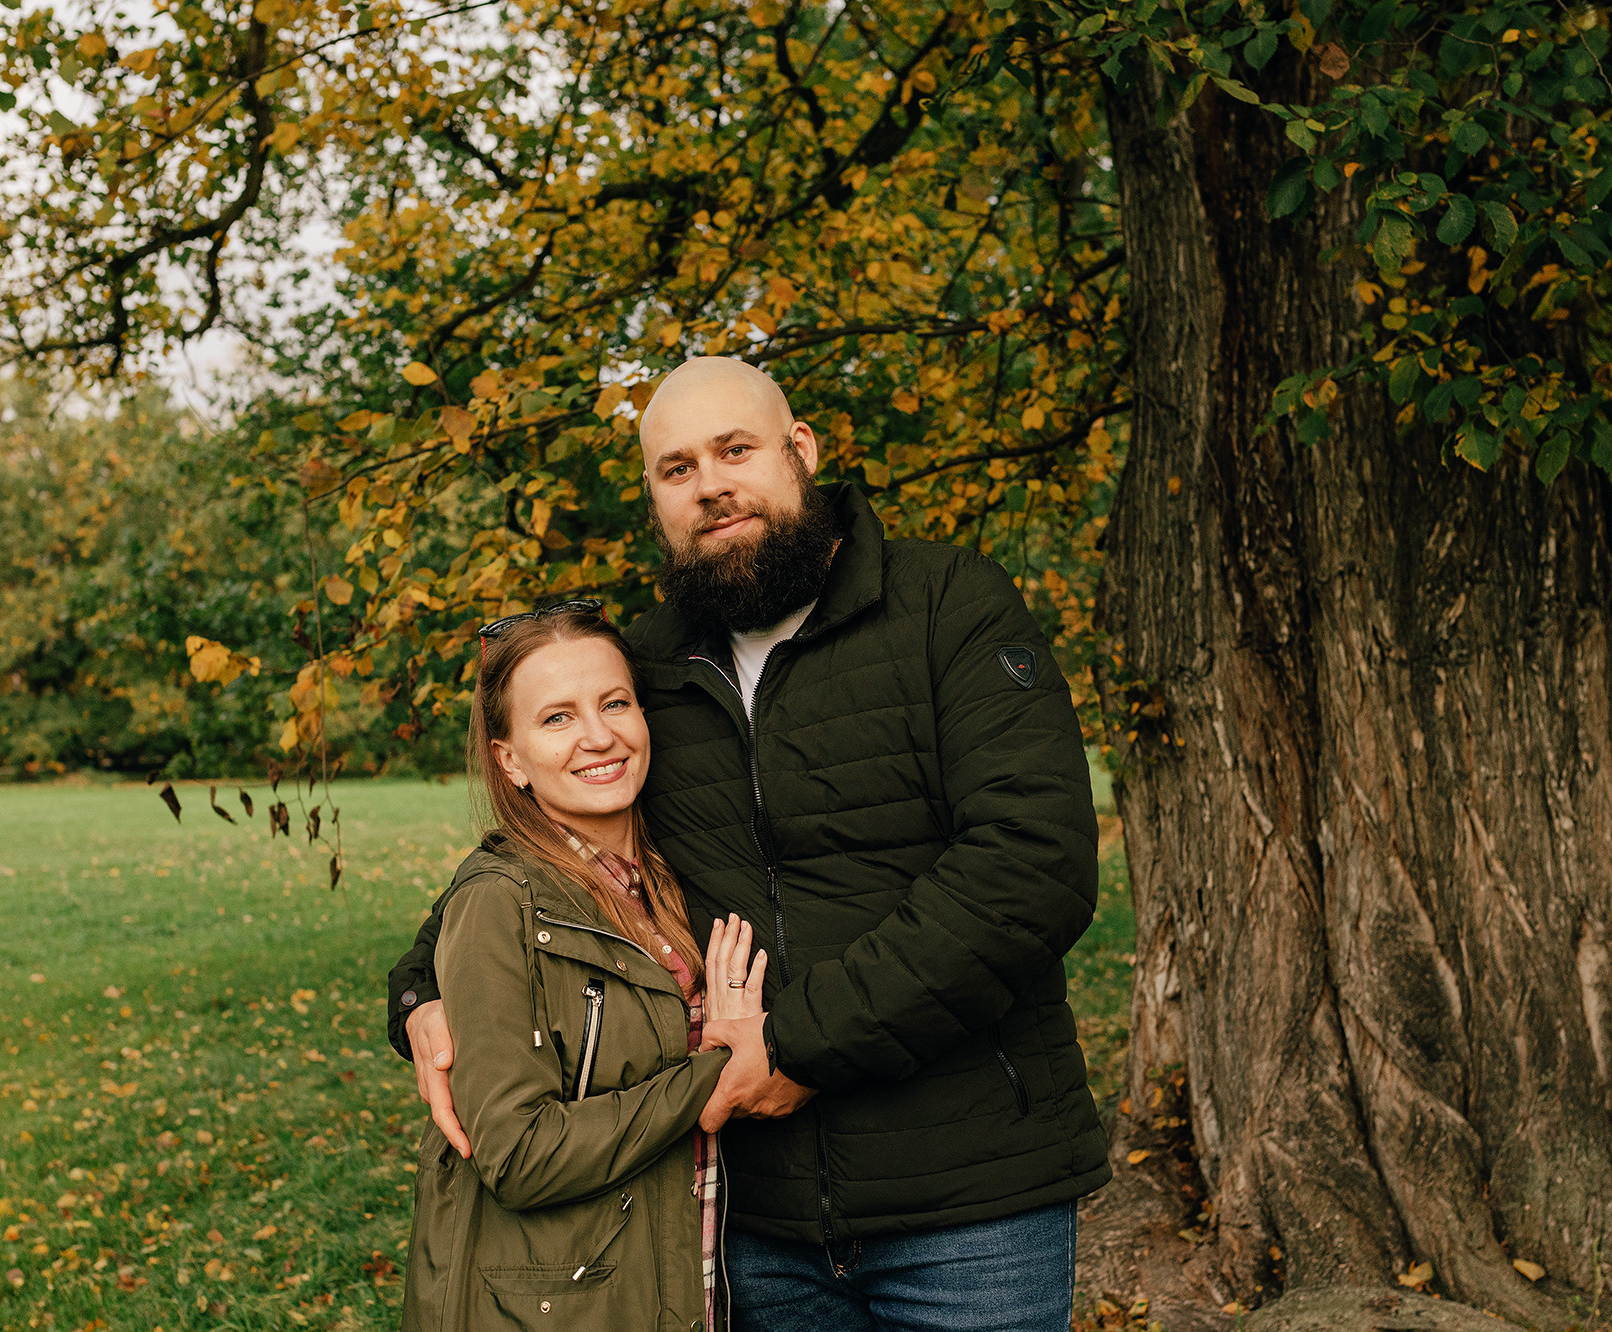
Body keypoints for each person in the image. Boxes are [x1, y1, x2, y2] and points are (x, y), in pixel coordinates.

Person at [390, 357, 1109, 1331]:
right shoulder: (647, 667)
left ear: (798, 450)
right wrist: (420, 990)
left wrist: (795, 1044)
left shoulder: (947, 603)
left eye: (735, 450)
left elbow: (1031, 865)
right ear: (654, 497)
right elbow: (532, 855)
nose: (710, 485)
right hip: (751, 1223)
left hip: (967, 1202)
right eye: (677, 468)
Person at [399, 603, 771, 1331]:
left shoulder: (669, 878)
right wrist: (715, 1073)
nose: (599, 736)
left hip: (675, 1280)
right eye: (557, 718)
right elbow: (518, 1154)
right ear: (509, 759)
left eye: (615, 703)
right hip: (562, 1305)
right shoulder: (499, 903)